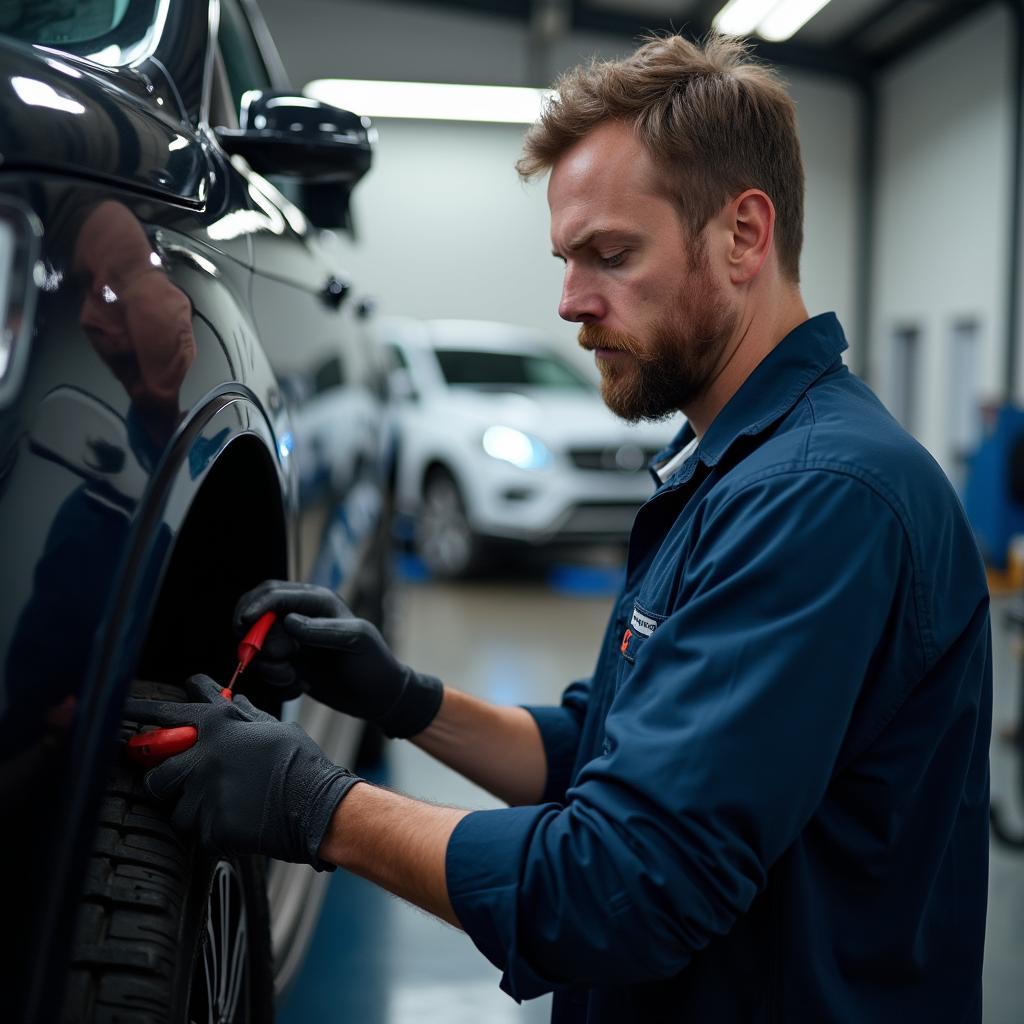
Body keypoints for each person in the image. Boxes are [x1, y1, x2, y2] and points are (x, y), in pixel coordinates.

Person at [126, 34, 992, 1022]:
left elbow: (622, 888)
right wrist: (399, 696)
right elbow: (601, 747)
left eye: (611, 255)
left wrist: (316, 805)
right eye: (567, 258)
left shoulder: (823, 496)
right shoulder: (732, 466)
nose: (572, 302)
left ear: (745, 235)